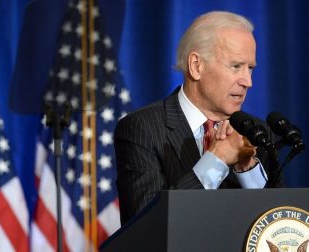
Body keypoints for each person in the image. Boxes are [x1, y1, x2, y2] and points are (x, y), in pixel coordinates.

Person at [114, 11, 283, 225]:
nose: (247, 81)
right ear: (196, 66)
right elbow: (145, 225)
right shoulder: (142, 128)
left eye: (250, 68)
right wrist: (217, 160)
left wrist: (247, 170)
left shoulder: (256, 131)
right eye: (236, 66)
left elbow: (278, 223)